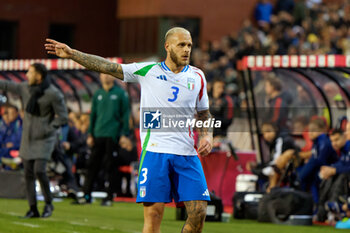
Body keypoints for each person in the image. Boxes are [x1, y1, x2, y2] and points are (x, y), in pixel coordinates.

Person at [45, 26, 213, 233]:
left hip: (187, 154)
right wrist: (72, 54)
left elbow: (205, 114)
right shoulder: (148, 71)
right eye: (181, 45)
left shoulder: (198, 77)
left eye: (189, 45)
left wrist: (207, 135)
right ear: (167, 46)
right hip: (155, 153)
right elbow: (107, 67)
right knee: (153, 218)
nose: (187, 49)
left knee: (199, 213)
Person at [0, 63, 68, 218]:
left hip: (44, 139)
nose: (26, 75)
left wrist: (48, 128)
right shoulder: (25, 88)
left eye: (30, 72)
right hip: (27, 138)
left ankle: (49, 204)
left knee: (39, 170)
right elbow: (6, 84)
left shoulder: (53, 93)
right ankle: (33, 209)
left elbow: (63, 116)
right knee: (28, 174)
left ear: (39, 75)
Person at [76, 73, 130, 206]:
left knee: (110, 167)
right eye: (102, 74)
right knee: (92, 166)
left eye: (108, 74)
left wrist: (124, 134)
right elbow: (93, 115)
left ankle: (109, 196)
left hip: (113, 135)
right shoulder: (97, 94)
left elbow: (126, 115)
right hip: (98, 134)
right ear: (100, 77)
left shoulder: (120, 94)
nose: (105, 77)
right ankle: (86, 195)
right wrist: (90, 134)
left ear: (113, 76)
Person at [298, 117, 338, 204]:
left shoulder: (323, 140)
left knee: (305, 177)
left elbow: (319, 160)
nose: (311, 133)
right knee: (307, 176)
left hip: (328, 170)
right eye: (309, 130)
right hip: (320, 169)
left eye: (314, 130)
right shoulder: (316, 142)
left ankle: (313, 204)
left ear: (323, 130)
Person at [316, 129, 350, 222]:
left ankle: (334, 209)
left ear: (344, 137)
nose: (334, 143)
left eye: (337, 140)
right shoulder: (343, 152)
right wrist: (329, 169)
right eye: (332, 141)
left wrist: (334, 170)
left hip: (346, 181)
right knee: (329, 176)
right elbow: (341, 164)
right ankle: (322, 211)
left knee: (341, 176)